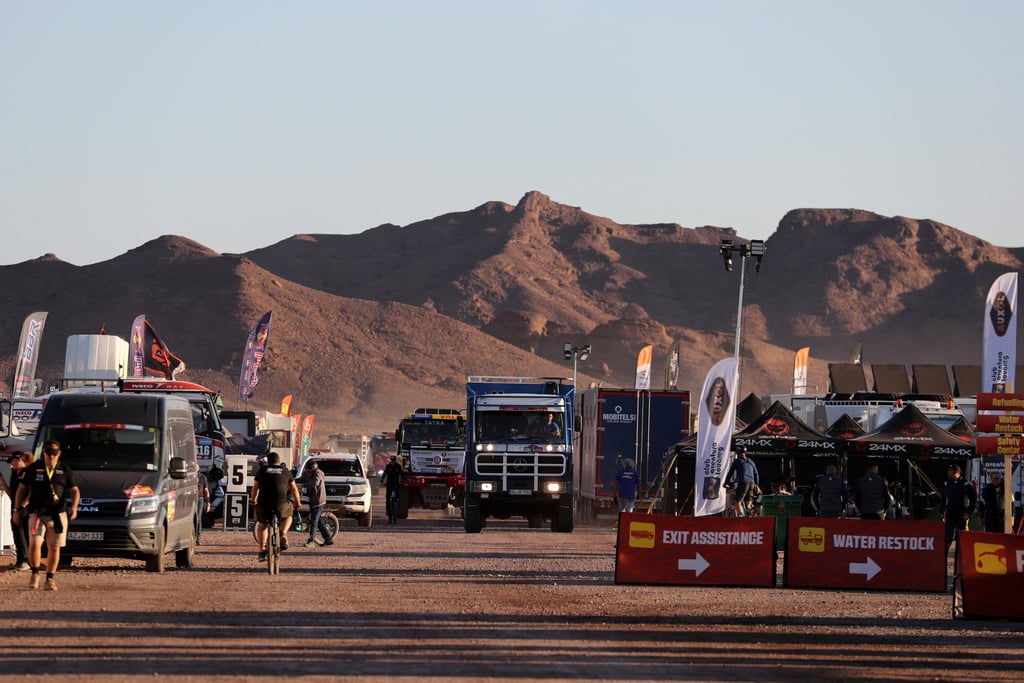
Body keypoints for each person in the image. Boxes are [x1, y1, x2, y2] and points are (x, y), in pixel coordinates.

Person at [13, 441, 80, 591]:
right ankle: (35, 573)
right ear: (44, 453)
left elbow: (75, 489)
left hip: (57, 514)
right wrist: (17, 509)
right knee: (35, 543)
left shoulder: (64, 469)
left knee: (54, 547)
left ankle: (50, 578)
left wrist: (74, 507)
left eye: (54, 454)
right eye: (49, 454)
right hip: (37, 513)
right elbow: (21, 489)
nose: (51, 457)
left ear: (59, 454)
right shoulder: (34, 468)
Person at [250, 451, 302, 561]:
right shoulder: (286, 471)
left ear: (268, 462)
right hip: (281, 504)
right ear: (279, 461)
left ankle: (262, 550)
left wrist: (253, 501)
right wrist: (297, 503)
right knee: (289, 515)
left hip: (264, 505)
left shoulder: (262, 470)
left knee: (262, 525)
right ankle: (283, 532)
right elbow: (294, 489)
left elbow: (255, 488)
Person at [7, 451, 35, 570]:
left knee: (21, 531)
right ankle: (20, 560)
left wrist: (22, 506)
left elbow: (32, 491)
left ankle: (25, 560)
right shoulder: (14, 473)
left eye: (13, 461)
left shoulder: (28, 472)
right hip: (15, 506)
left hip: (24, 508)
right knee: (17, 532)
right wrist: (2, 481)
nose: (12, 464)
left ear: (19, 460)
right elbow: (11, 493)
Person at [942, 463, 977, 551]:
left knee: (962, 538)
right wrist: (943, 511)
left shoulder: (966, 484)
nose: (948, 473)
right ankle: (948, 556)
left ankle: (963, 554)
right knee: (948, 537)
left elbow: (973, 499)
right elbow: (944, 498)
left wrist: (968, 512)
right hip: (950, 514)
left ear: (956, 472)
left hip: (961, 514)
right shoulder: (947, 483)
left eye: (950, 471)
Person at [303, 461, 334, 546]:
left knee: (314, 522)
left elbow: (314, 483)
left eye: (309, 471)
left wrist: (305, 484)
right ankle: (328, 539)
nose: (307, 473)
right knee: (319, 521)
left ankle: (311, 541)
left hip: (318, 502)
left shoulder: (317, 475)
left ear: (313, 470)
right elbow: (303, 479)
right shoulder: (311, 475)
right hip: (314, 501)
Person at [725, 448, 759, 517]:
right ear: (745, 453)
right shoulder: (751, 461)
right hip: (752, 483)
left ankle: (741, 517)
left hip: (743, 482)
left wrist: (726, 482)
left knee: (737, 501)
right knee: (748, 500)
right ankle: (749, 513)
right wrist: (756, 484)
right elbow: (756, 474)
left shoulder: (737, 461)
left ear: (738, 454)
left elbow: (730, 472)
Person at [381, 455, 403, 524]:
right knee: (388, 499)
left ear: (395, 461)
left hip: (396, 484)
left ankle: (396, 511)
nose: (392, 462)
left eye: (393, 460)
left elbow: (401, 474)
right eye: (391, 460)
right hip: (389, 485)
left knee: (397, 498)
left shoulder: (398, 466)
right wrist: (382, 481)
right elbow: (384, 474)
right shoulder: (388, 466)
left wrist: (403, 481)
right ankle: (389, 513)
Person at [196, 463, 210, 545]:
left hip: (199, 500)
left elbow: (206, 491)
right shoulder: (190, 477)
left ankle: (197, 538)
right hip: (190, 500)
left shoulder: (202, 477)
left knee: (198, 518)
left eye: (196, 467)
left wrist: (208, 503)